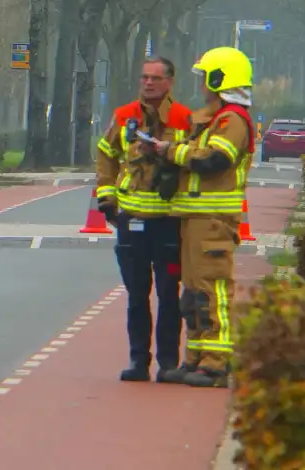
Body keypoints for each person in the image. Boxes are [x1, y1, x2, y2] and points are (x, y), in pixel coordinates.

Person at [145, 46, 255, 388]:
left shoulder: (233, 120)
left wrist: (172, 151)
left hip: (213, 220)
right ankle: (194, 357)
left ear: (220, 77)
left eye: (207, 77)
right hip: (195, 218)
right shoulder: (215, 118)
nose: (203, 84)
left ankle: (216, 363)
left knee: (212, 291)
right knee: (192, 293)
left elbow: (214, 160)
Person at [95, 57, 193, 383]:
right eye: (144, 78)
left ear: (170, 82)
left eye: (155, 78)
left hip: (169, 221)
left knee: (168, 294)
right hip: (131, 221)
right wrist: (107, 198)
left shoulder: (184, 118)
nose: (148, 83)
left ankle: (168, 363)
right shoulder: (124, 117)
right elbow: (106, 154)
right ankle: (138, 362)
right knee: (137, 295)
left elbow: (194, 161)